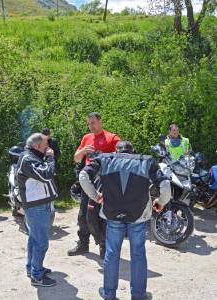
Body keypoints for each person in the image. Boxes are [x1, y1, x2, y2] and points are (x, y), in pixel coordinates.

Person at [79, 141, 171, 300]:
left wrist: (95, 196)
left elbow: (83, 176)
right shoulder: (146, 161)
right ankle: (139, 295)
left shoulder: (104, 159)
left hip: (113, 214)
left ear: (116, 150)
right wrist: (161, 202)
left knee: (112, 253)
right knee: (138, 254)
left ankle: (109, 294)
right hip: (138, 215)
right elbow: (165, 184)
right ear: (133, 151)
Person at [68, 112, 121, 259]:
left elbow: (122, 158)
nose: (91, 126)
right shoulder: (86, 138)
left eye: (93, 123)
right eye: (89, 123)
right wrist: (84, 151)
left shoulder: (112, 138)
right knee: (83, 215)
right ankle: (83, 244)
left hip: (105, 184)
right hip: (87, 183)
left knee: (103, 217)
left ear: (100, 121)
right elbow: (76, 158)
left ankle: (104, 247)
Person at [16, 133, 58, 287]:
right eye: (46, 144)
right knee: (40, 242)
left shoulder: (33, 155)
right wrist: (50, 158)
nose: (49, 147)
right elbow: (46, 174)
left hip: (38, 204)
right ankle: (37, 276)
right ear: (36, 145)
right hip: (36, 206)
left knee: (34, 239)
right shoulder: (28, 159)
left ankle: (32, 268)